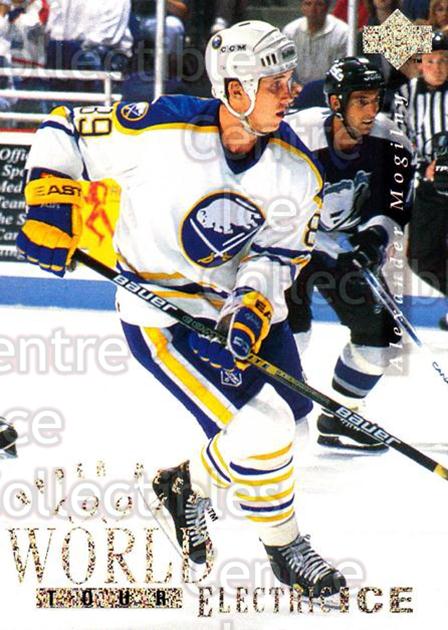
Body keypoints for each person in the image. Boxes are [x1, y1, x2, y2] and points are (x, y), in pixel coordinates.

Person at [16, 21, 346, 596]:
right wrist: (51, 202)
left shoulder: (296, 169)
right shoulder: (161, 129)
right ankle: (285, 545)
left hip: (230, 305)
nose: (291, 93)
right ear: (236, 90)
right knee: (263, 427)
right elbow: (63, 129)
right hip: (162, 315)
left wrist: (251, 305)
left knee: (291, 423)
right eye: (276, 84)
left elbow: (277, 255)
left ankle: (185, 486)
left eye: (290, 80)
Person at [286, 57, 414, 452]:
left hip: (344, 247)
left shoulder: (392, 143)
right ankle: (266, 409)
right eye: (361, 101)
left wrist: (375, 238)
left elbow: (394, 206)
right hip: (289, 244)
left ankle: (341, 416)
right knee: (291, 335)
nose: (371, 110)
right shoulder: (296, 135)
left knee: (382, 338)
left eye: (375, 100)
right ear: (335, 103)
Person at [393, 32, 448, 330]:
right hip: (428, 189)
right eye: (431, 61)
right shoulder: (405, 95)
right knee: (420, 258)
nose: (437, 67)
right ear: (420, 63)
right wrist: (425, 168)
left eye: (444, 61)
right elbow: (399, 145)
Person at [283, 0, 348, 87]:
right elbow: (285, 68)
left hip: (330, 88)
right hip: (297, 89)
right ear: (302, 7)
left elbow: (342, 70)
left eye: (319, 4)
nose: (312, 10)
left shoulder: (343, 33)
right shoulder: (290, 31)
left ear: (327, 7)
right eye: (308, 4)